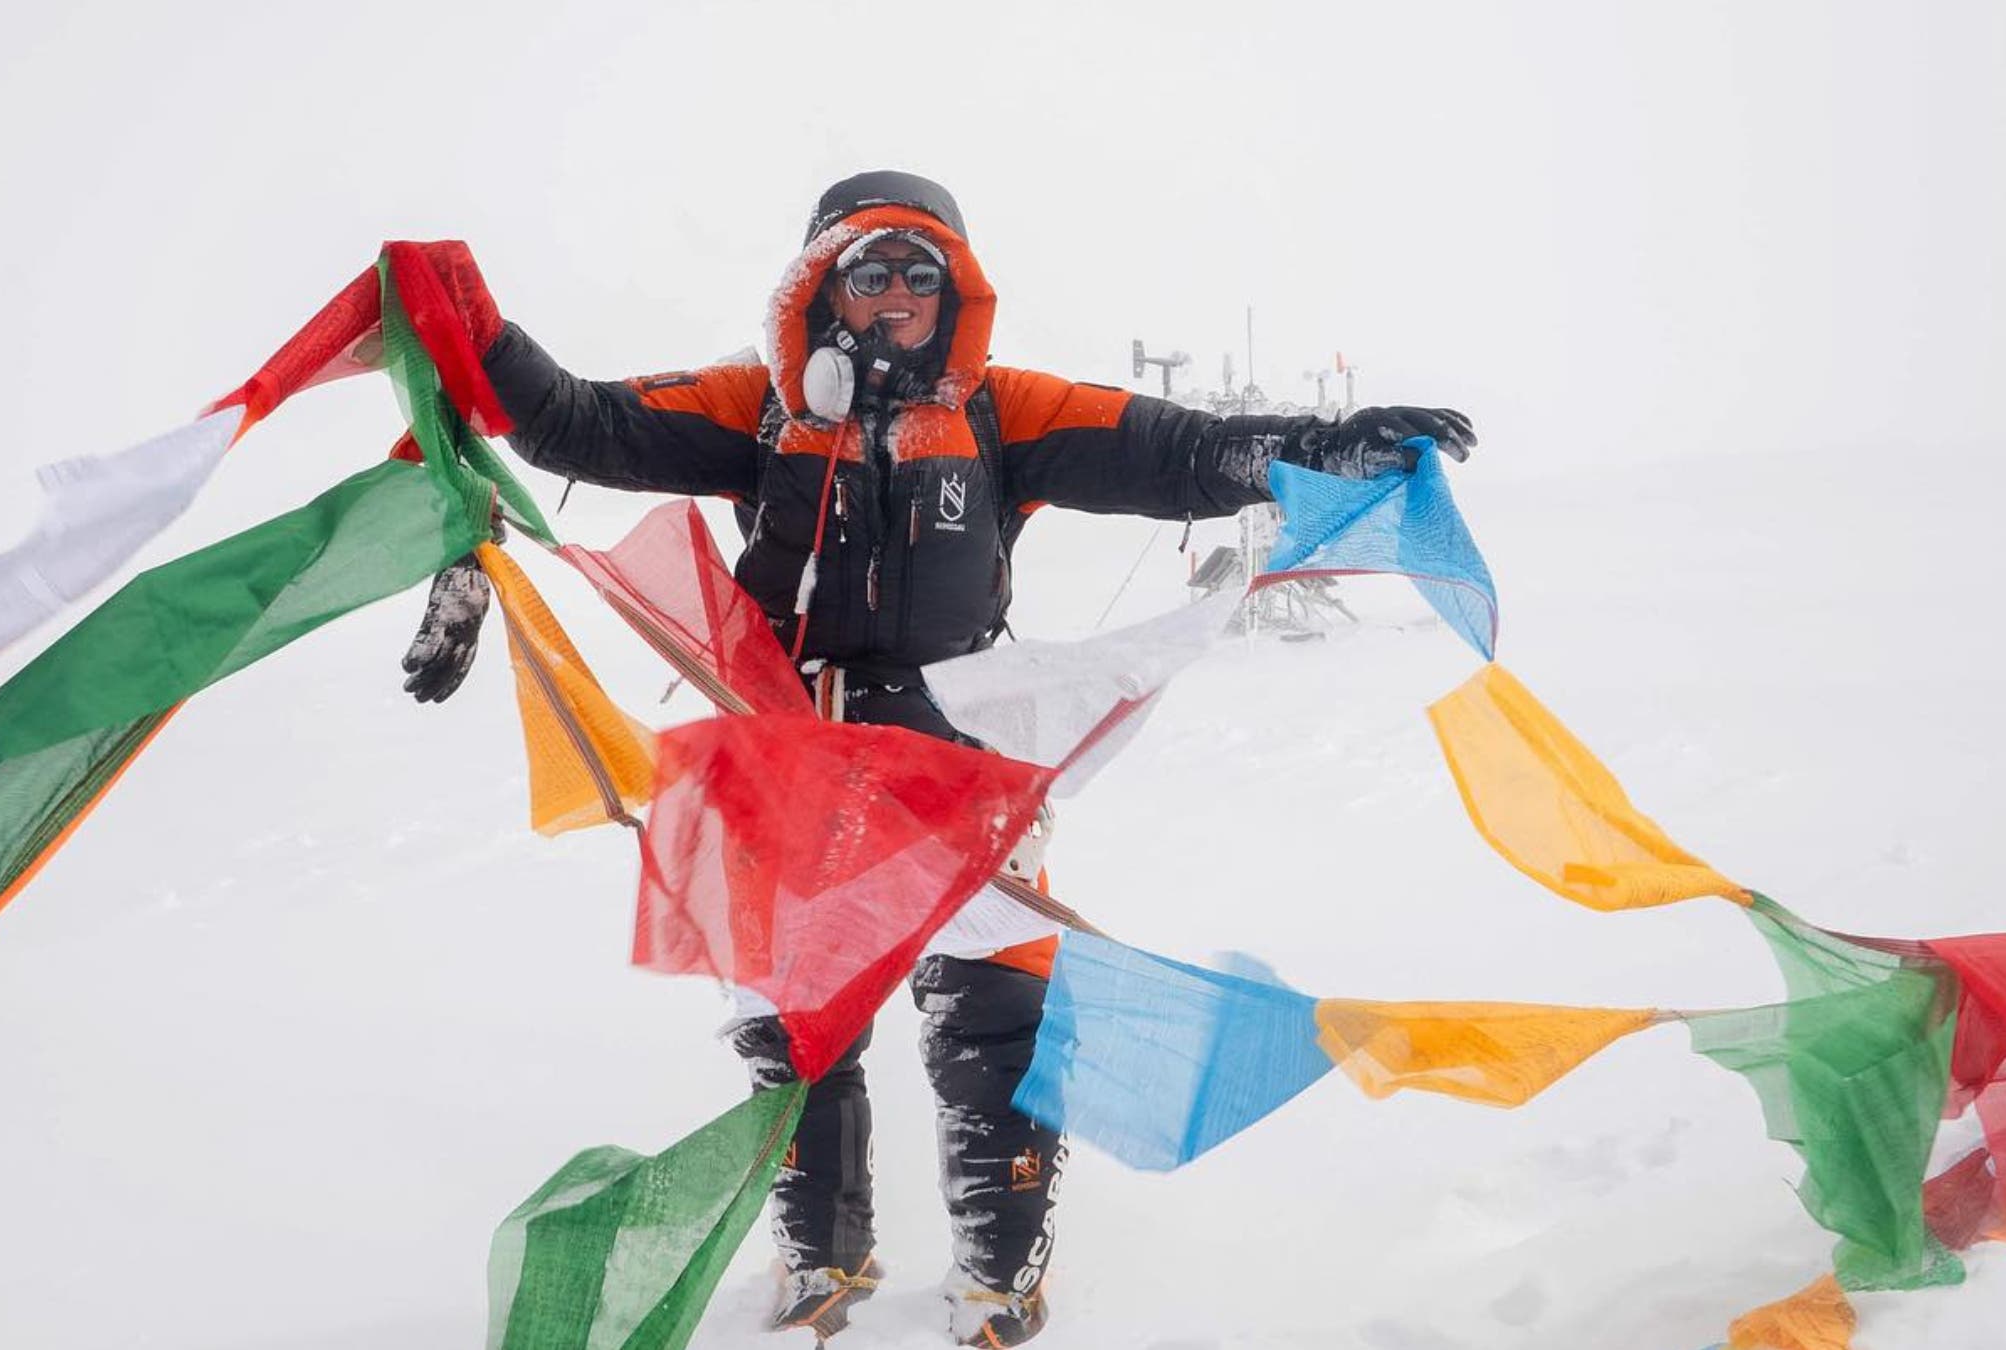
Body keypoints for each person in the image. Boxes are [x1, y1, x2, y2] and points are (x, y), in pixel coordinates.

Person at [402, 171, 1475, 1346]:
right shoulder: (754, 407)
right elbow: (575, 421)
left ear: (957, 290)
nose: (900, 292)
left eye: (925, 271)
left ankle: (999, 1284)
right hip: (790, 760)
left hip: (959, 758)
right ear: (821, 286)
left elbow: (1174, 450)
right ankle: (823, 1265)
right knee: (801, 1027)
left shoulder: (1003, 409)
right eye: (871, 269)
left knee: (996, 1012)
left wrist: (1325, 445)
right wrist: (470, 319)